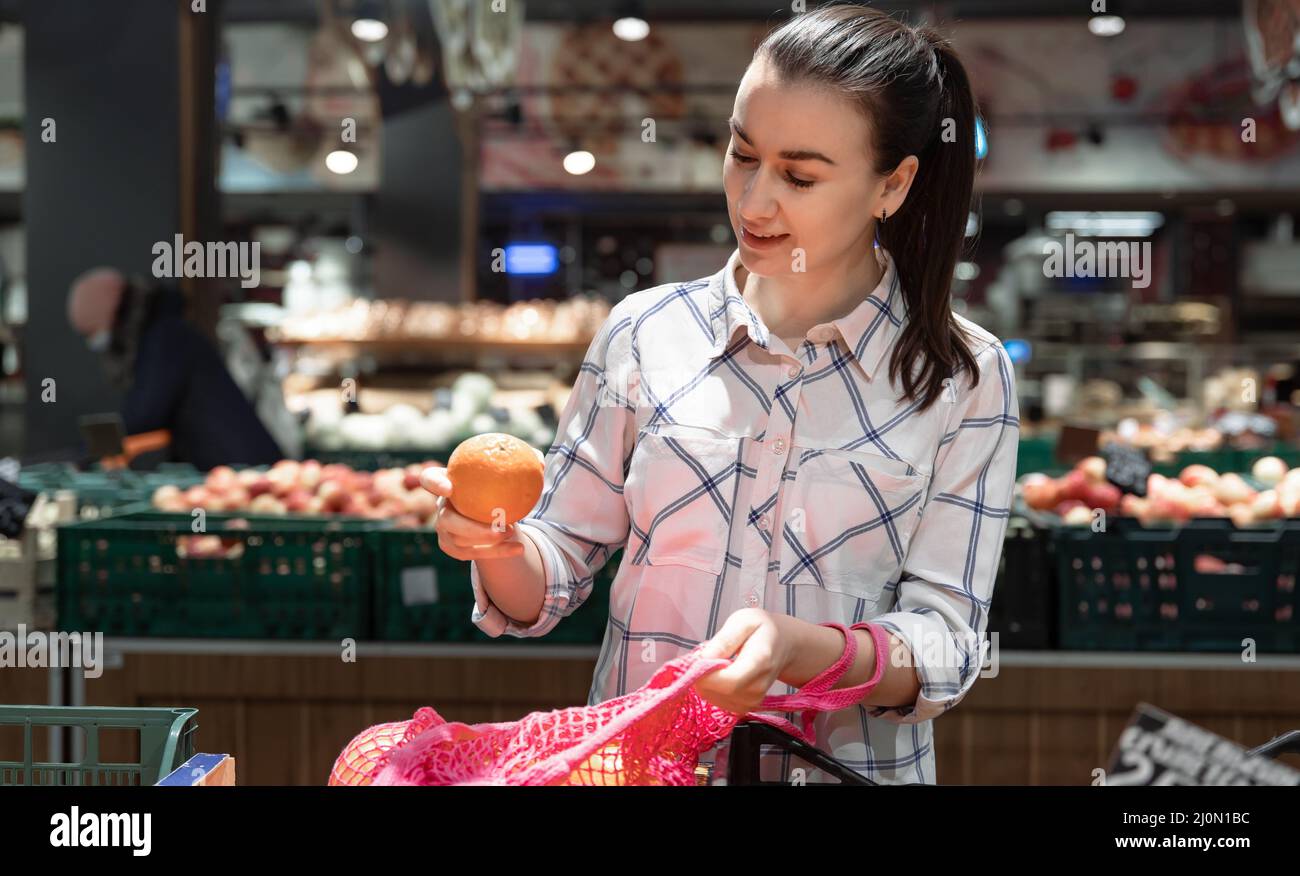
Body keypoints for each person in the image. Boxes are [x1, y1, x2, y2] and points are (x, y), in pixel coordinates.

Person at [424, 4, 1019, 785]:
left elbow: (945, 643)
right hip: (637, 769)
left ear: (893, 184)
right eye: (742, 155)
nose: (754, 200)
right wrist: (498, 545)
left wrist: (804, 649)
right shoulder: (646, 332)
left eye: (799, 176)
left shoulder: (963, 376)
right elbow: (556, 560)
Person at [67, 267, 283, 470]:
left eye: (92, 333)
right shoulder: (164, 335)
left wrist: (81, 457)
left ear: (111, 315)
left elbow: (144, 415)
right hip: (235, 470)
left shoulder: (165, 340)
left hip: (242, 474)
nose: (95, 342)